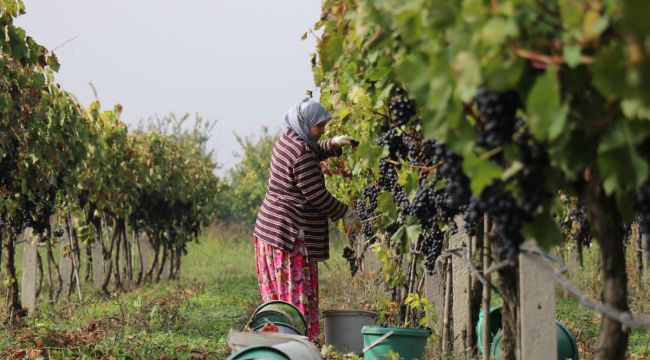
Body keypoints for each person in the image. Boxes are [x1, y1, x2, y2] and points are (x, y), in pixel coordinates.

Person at [253, 98, 361, 342]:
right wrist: (344, 212)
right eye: (319, 126)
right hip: (291, 236)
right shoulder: (300, 153)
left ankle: (280, 345)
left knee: (279, 301)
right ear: (306, 123)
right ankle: (298, 347)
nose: (322, 130)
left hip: (271, 232)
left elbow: (311, 147)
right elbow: (316, 195)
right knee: (296, 299)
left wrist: (332, 145)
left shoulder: (288, 139)